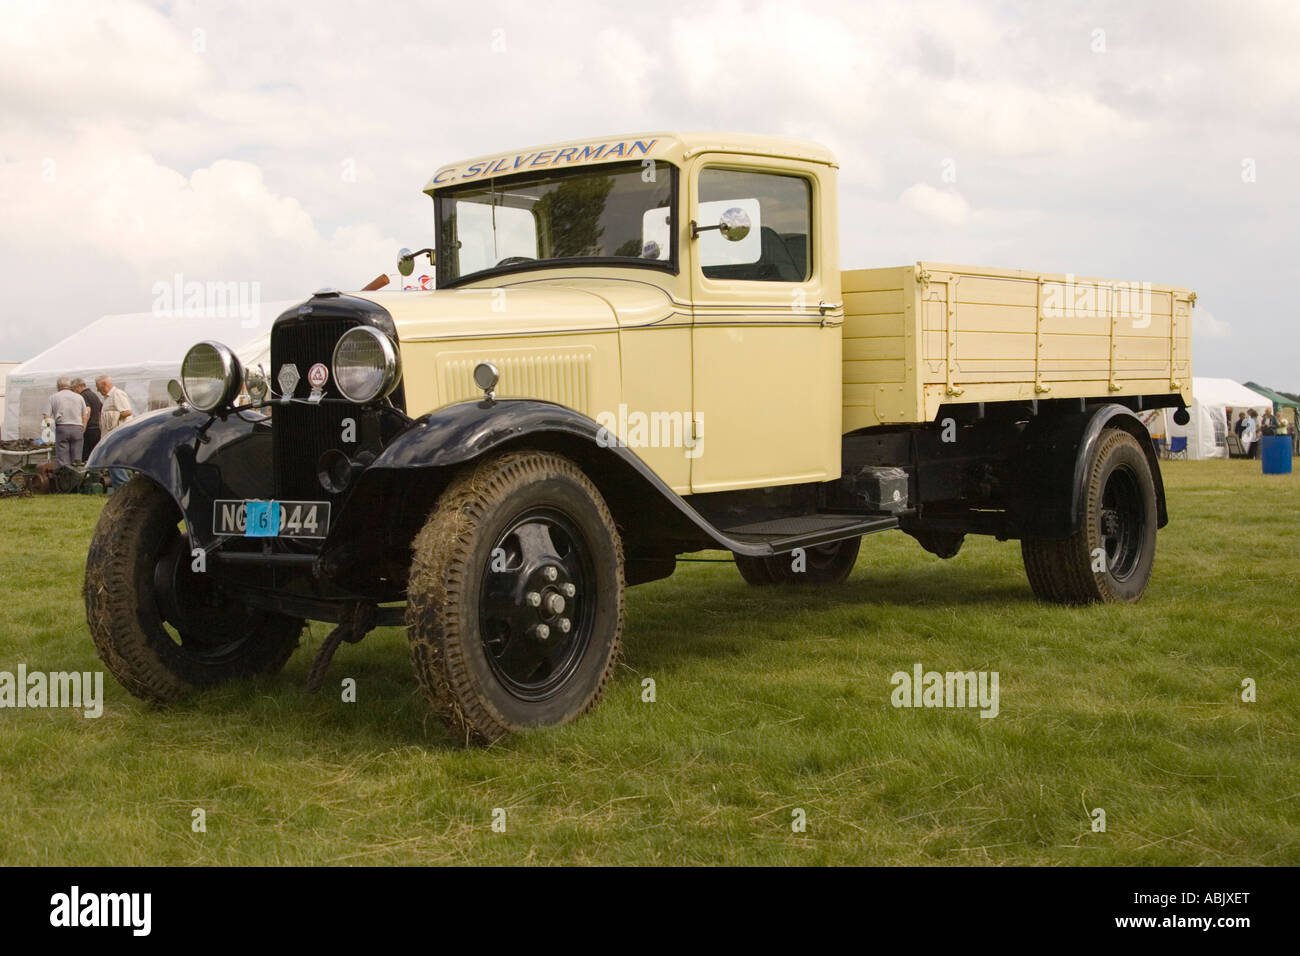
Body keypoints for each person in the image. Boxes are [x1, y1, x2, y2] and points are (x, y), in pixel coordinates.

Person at [96, 374, 134, 488]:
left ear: (105, 385)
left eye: (98, 387)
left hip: (118, 434)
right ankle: (119, 486)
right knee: (111, 461)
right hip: (111, 434)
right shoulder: (107, 397)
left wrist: (112, 417)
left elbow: (127, 412)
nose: (97, 390)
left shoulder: (117, 394)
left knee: (114, 460)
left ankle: (123, 486)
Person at [42, 376, 89, 467]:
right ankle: (76, 478)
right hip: (77, 428)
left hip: (62, 428)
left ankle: (63, 478)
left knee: (63, 459)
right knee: (77, 459)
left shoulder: (53, 397)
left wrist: (49, 431)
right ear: (69, 386)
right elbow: (85, 415)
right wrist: (83, 427)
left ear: (58, 386)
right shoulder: (79, 397)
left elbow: (46, 416)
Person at [71, 377, 103, 458]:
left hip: (89, 429)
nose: (73, 392)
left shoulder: (83, 396)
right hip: (96, 429)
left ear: (78, 387)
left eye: (73, 389)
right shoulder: (93, 394)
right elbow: (100, 410)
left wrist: (83, 428)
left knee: (86, 456)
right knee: (94, 455)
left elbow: (87, 410)